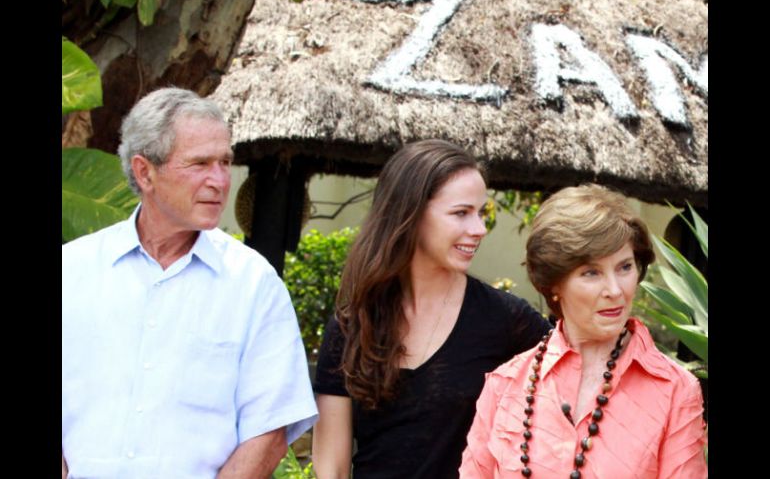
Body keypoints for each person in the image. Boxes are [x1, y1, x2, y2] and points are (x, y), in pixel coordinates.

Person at [61, 87, 318, 479]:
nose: (220, 180)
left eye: (225, 162)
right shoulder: (73, 269)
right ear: (145, 172)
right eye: (200, 164)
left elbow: (269, 431)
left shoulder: (253, 283)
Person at [311, 140, 552, 479]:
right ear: (410, 214)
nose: (479, 229)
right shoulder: (352, 325)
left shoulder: (506, 320)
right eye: (461, 213)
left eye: (480, 213)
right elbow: (331, 468)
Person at [459, 184, 707, 478]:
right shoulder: (505, 386)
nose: (615, 290)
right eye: (591, 273)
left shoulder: (676, 391)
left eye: (625, 267)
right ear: (554, 284)